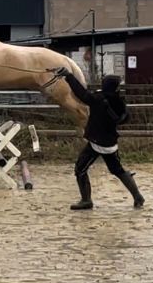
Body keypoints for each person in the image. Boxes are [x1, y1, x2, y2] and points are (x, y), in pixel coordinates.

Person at [53, 67, 145, 210]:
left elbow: (81, 94)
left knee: (80, 169)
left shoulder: (99, 99)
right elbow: (124, 118)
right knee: (118, 170)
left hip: (97, 141)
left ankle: (86, 200)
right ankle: (138, 196)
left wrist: (69, 76)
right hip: (110, 141)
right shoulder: (119, 102)